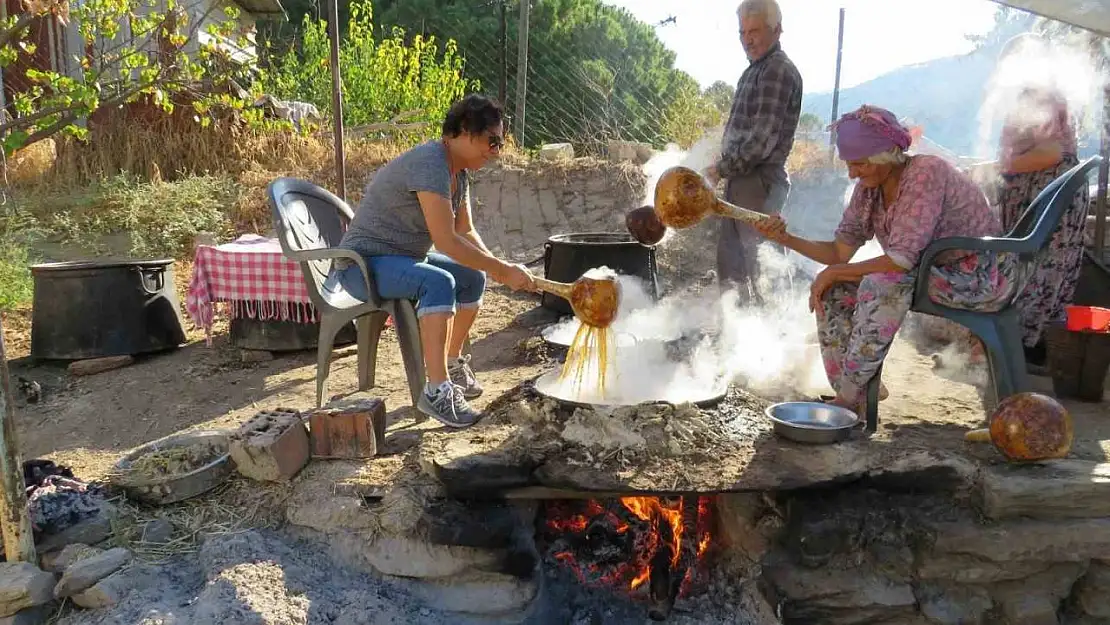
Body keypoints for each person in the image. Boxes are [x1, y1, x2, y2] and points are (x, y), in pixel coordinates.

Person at [752, 105, 1020, 414]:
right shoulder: (869, 189)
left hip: (981, 276)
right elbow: (839, 253)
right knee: (834, 289)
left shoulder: (925, 173)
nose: (853, 173)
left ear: (886, 155)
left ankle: (848, 399)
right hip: (933, 273)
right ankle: (857, 392)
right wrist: (785, 238)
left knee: (881, 284)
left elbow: (901, 261)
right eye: (849, 165)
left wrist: (837, 270)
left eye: (861, 164)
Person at [328, 94, 535, 428]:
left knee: (473, 277)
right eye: (492, 141)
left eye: (500, 143)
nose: (497, 151)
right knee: (439, 282)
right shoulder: (430, 162)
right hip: (362, 265)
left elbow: (464, 230)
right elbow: (445, 240)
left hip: (401, 259)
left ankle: (451, 362)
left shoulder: (459, 172)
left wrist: (499, 267)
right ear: (465, 130)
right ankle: (436, 391)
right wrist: (501, 270)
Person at [990, 35, 1089, 368]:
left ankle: (1027, 347)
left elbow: (1049, 152)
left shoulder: (1044, 95)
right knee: (1034, 268)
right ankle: (1028, 347)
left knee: (1040, 269)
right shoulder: (1031, 95)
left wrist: (997, 167)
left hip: (1048, 196)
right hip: (1040, 193)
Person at [705, 0, 803, 305]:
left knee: (763, 268)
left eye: (756, 31)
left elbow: (762, 141)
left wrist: (721, 168)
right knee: (732, 265)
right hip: (742, 180)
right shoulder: (754, 71)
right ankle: (741, 337)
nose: (748, 39)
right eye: (743, 32)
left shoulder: (776, 70)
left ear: (777, 30)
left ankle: (777, 337)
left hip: (759, 182)